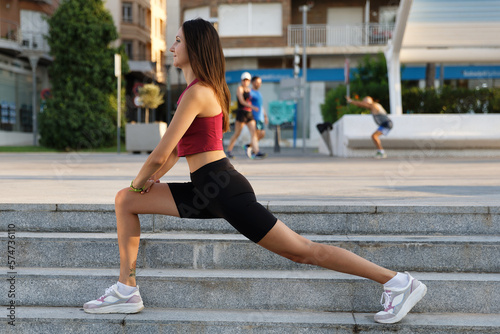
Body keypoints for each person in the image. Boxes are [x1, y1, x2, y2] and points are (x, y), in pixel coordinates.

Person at [84, 18, 426, 324]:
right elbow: (175, 151)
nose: (171, 47)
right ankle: (126, 289)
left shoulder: (199, 92)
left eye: (177, 41)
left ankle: (397, 282)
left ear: (195, 47)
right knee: (125, 201)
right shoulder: (196, 91)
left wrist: (140, 181)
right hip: (205, 189)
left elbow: (158, 154)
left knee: (303, 251)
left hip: (223, 188)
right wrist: (145, 186)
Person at [225, 72, 265, 159]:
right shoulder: (240, 89)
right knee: (237, 133)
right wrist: (253, 107)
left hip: (249, 114)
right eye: (244, 80)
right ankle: (228, 151)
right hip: (242, 113)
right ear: (242, 80)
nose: (245, 82)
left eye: (247, 80)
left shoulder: (249, 90)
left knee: (253, 133)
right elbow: (242, 101)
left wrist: (262, 113)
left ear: (249, 81)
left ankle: (256, 151)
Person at [242, 75, 268, 156]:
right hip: (254, 116)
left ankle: (248, 146)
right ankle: (255, 151)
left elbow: (261, 105)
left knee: (262, 134)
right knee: (255, 135)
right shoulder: (250, 92)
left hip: (260, 117)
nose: (259, 84)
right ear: (252, 83)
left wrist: (265, 115)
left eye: (260, 83)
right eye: (257, 82)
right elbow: (246, 102)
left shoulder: (259, 93)